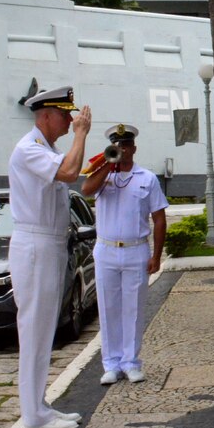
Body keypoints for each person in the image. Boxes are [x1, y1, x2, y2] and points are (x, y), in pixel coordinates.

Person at [8, 86, 92, 428]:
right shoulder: (29, 149)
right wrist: (82, 134)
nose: (70, 120)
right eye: (64, 114)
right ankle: (33, 416)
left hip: (49, 244)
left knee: (44, 329)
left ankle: (39, 405)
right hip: (35, 245)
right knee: (34, 330)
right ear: (44, 116)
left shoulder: (47, 149)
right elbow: (71, 172)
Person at [80, 123, 168, 385]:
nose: (122, 149)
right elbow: (86, 190)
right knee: (108, 308)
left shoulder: (147, 178)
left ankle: (131, 362)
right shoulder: (102, 174)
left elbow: (159, 219)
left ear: (134, 147)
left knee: (133, 308)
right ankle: (111, 363)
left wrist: (156, 255)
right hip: (106, 249)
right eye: (117, 145)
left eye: (126, 144)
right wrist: (108, 164)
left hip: (135, 249)